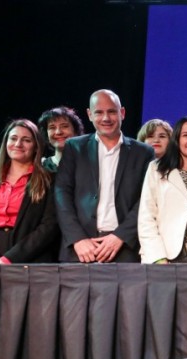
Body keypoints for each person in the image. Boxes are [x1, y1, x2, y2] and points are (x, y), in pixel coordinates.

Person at [55, 89, 155, 263]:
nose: (106, 118)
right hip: (80, 249)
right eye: (99, 112)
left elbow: (147, 199)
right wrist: (78, 238)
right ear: (89, 115)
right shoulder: (74, 147)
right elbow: (62, 194)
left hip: (125, 249)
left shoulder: (143, 152)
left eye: (111, 112)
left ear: (122, 113)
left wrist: (120, 236)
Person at [0, 119, 58, 263]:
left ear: (36, 147)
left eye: (26, 140)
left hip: (29, 260)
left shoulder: (49, 180)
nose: (18, 144)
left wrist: (9, 259)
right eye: (13, 138)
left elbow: (49, 226)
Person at [138, 116, 187, 263]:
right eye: (186, 135)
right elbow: (147, 216)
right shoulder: (157, 169)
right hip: (165, 254)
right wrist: (158, 258)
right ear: (177, 139)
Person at [38, 106, 85, 172]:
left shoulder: (91, 163)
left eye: (64, 126)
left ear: (75, 130)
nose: (58, 132)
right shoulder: (40, 167)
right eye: (52, 127)